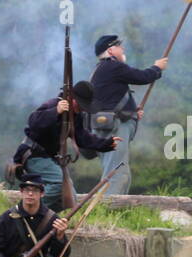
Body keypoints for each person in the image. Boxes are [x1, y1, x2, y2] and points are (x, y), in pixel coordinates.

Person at [11, 80, 119, 210]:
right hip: (34, 154)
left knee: (69, 197)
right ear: (72, 99)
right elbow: (34, 122)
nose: (82, 109)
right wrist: (56, 111)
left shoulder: (75, 115)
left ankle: (46, 221)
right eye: (81, 105)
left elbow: (82, 137)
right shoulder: (53, 105)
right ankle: (27, 211)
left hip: (49, 158)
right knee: (58, 184)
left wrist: (106, 143)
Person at [87, 34, 166, 194]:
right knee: (116, 173)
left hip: (107, 126)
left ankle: (115, 210)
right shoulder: (113, 66)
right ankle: (108, 211)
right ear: (110, 50)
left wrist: (132, 113)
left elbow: (111, 100)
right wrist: (157, 68)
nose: (123, 49)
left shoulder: (102, 69)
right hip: (114, 128)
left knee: (121, 172)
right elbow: (143, 77)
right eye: (119, 46)